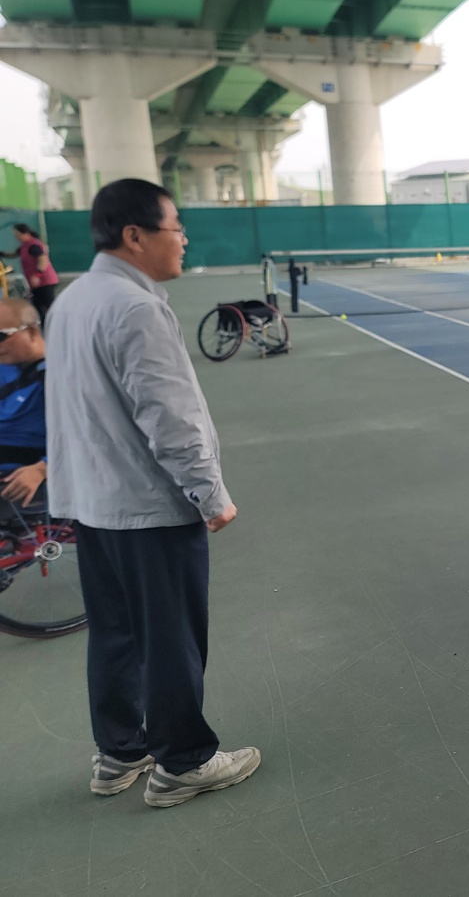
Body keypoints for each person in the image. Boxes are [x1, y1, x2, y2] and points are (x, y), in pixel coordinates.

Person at [45, 178, 260, 807]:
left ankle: (120, 752)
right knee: (170, 637)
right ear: (135, 236)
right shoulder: (135, 308)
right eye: (176, 227)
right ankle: (184, 761)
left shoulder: (72, 300)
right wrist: (209, 493)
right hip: (147, 506)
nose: (183, 239)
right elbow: (169, 415)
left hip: (93, 503)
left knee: (115, 633)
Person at [0, 298, 50, 511]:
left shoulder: (60, 377)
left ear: (31, 332)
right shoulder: (5, 368)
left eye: (1, 336)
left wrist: (42, 470)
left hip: (23, 475)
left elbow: (86, 436)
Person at [5, 223, 60, 325]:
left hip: (45, 281)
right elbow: (13, 254)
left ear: (25, 233)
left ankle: (57, 324)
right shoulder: (24, 246)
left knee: (48, 305)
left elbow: (43, 260)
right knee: (38, 306)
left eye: (17, 235)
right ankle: (46, 326)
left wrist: (37, 275)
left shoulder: (33, 245)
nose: (16, 238)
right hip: (35, 283)